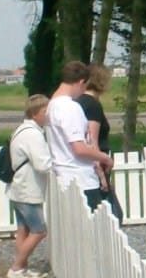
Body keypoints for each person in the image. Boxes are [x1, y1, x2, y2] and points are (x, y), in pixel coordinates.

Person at [46, 61, 115, 215]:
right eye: (84, 86)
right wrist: (105, 158)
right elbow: (80, 148)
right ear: (81, 82)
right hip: (81, 178)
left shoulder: (52, 105)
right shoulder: (70, 107)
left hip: (63, 174)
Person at [6, 94, 53, 278]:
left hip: (18, 188)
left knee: (23, 230)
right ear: (34, 113)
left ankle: (22, 267)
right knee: (39, 230)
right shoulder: (32, 135)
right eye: (45, 112)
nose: (48, 116)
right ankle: (16, 267)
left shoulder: (21, 130)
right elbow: (42, 164)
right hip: (27, 190)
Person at [75, 63, 123, 225]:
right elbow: (92, 141)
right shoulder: (92, 105)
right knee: (114, 215)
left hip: (84, 165)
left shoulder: (79, 102)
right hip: (97, 164)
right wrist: (101, 175)